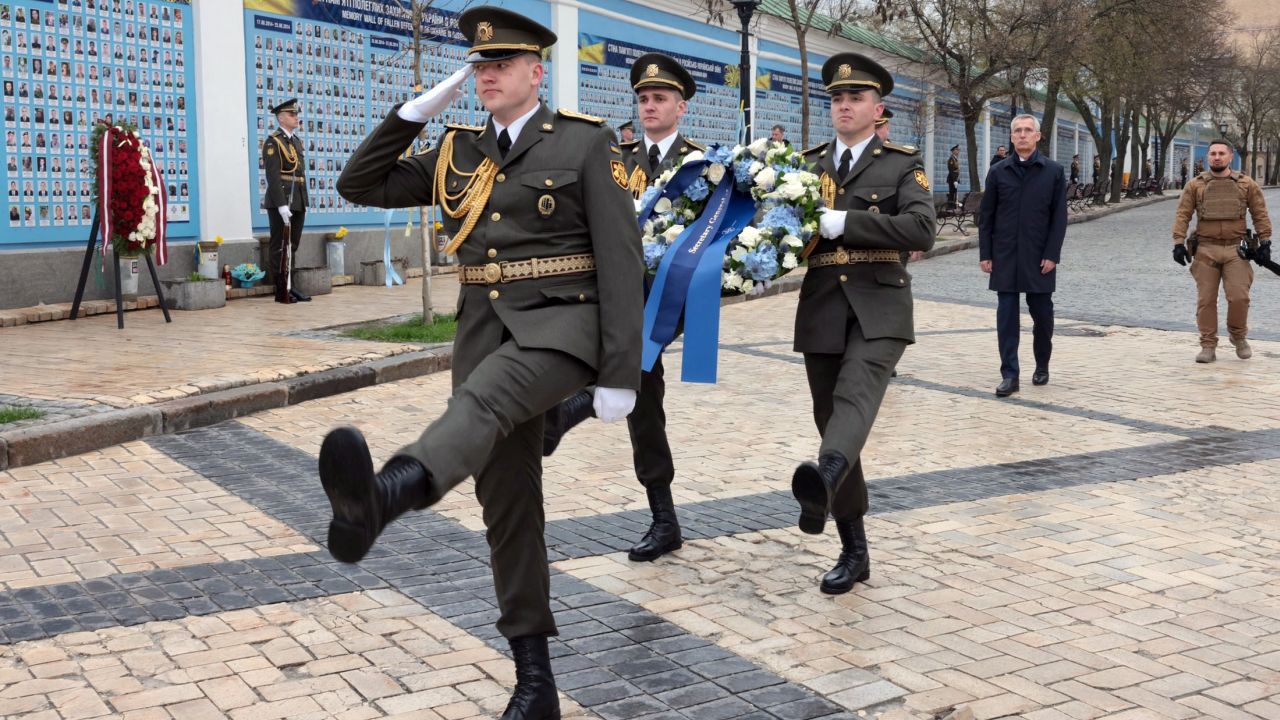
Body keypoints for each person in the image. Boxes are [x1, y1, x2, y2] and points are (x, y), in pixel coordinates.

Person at [327, 8, 642, 718]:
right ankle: (536, 684)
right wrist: (409, 114)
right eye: (480, 65)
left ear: (538, 71)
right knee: (508, 504)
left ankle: (386, 494)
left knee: (483, 404)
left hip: (563, 326)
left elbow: (622, 261)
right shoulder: (455, 149)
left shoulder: (586, 143)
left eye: (503, 63)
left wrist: (622, 372)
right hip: (482, 330)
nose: (488, 73)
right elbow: (359, 185)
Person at [541, 52, 702, 564]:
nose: (650, 106)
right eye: (643, 99)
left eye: (659, 99)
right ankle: (665, 521)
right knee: (643, 403)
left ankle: (572, 409)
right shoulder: (619, 160)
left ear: (681, 107)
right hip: (617, 294)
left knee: (631, 365)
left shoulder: (703, 164)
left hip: (672, 300)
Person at [792, 53, 935, 595]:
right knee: (831, 418)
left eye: (855, 98)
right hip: (823, 305)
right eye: (837, 98)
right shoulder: (807, 166)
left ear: (879, 109)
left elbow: (922, 229)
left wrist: (847, 221)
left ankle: (823, 478)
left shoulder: (901, 162)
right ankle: (855, 550)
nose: (844, 105)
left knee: (854, 399)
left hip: (880, 306)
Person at [978, 114, 1067, 397]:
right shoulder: (998, 171)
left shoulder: (1053, 171)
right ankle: (1010, 375)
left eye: (1028, 130)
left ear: (1038, 136)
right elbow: (987, 217)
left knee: (1043, 315)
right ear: (1012, 136)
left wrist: (1052, 254)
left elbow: (1059, 218)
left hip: (1039, 257)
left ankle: (1042, 364)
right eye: (1017, 131)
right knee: (1006, 318)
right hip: (1005, 256)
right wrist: (986, 253)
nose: (1022, 135)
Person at [1171, 139, 1271, 363]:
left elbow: (1260, 214)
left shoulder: (1246, 184)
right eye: (1213, 154)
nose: (1217, 157)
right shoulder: (1195, 185)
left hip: (1237, 250)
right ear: (1208, 157)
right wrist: (1178, 243)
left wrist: (1265, 242)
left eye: (1221, 154)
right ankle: (1208, 345)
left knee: (1239, 297)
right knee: (1206, 300)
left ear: (1230, 156)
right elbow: (1183, 215)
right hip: (1206, 249)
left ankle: (1238, 336)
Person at [262, 98, 311, 303]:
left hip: (298, 196)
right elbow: (273, 177)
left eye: (296, 114)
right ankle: (281, 289)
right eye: (292, 115)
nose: (296, 117)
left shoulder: (296, 142)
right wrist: (282, 205)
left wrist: (302, 200)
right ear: (281, 118)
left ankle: (291, 286)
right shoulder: (273, 142)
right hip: (282, 199)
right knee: (280, 245)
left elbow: (300, 173)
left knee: (293, 244)